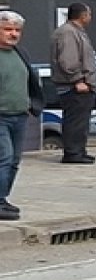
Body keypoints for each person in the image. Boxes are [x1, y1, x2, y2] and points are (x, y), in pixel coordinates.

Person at [0, 11, 44, 221]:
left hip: (19, 115)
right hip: (1, 116)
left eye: (17, 30)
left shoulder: (20, 53)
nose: (13, 34)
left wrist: (31, 105)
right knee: (4, 157)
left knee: (15, 160)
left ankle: (3, 198)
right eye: (8, 29)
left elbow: (31, 82)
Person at [49, 2, 96, 164]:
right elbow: (68, 60)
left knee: (81, 121)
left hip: (83, 86)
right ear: (83, 15)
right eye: (89, 14)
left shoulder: (76, 32)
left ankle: (79, 150)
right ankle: (72, 153)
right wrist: (78, 80)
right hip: (75, 86)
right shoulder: (68, 33)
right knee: (75, 121)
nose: (91, 18)